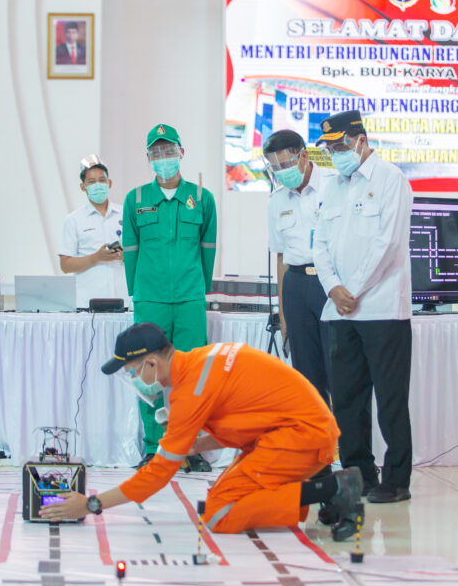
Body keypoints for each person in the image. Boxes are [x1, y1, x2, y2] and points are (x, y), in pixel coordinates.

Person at [39, 323, 365, 540]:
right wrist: (193, 447)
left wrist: (92, 504)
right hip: (294, 429)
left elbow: (157, 473)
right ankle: (316, 482)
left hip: (301, 436)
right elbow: (238, 418)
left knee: (220, 513)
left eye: (132, 371)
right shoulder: (196, 363)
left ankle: (331, 488)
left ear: (151, 363)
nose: (134, 379)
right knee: (222, 496)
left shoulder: (189, 390)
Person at [311, 109, 415, 504]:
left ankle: (397, 479)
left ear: (361, 139)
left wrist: (351, 289)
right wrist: (334, 288)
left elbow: (387, 244)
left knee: (390, 399)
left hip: (383, 308)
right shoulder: (332, 187)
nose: (336, 153)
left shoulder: (392, 180)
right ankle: (359, 474)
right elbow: (318, 244)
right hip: (340, 311)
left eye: (340, 145)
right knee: (348, 399)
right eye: (330, 148)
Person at [123, 123, 217, 471]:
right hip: (150, 299)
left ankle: (191, 448)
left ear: (182, 152)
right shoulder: (135, 201)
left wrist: (199, 289)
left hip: (191, 299)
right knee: (147, 374)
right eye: (157, 152)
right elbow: (130, 253)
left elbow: (208, 251)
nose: (164, 158)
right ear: (149, 157)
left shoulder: (202, 199)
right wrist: (139, 292)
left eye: (169, 150)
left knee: (193, 377)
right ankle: (153, 448)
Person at [264, 129, 334, 404]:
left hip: (330, 284)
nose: (281, 172)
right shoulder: (277, 201)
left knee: (338, 369)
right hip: (296, 286)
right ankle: (316, 442)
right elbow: (280, 258)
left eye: (285, 164)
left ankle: (346, 443)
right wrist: (283, 315)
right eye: (275, 167)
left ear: (303, 155)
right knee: (306, 376)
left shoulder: (335, 185)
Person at [58, 155, 129, 308]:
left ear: (109, 183)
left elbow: (140, 254)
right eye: (91, 181)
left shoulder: (126, 214)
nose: (98, 185)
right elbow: (65, 265)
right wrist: (96, 257)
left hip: (124, 300)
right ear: (83, 187)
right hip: (87, 303)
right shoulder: (73, 220)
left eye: (102, 180)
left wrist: (125, 256)